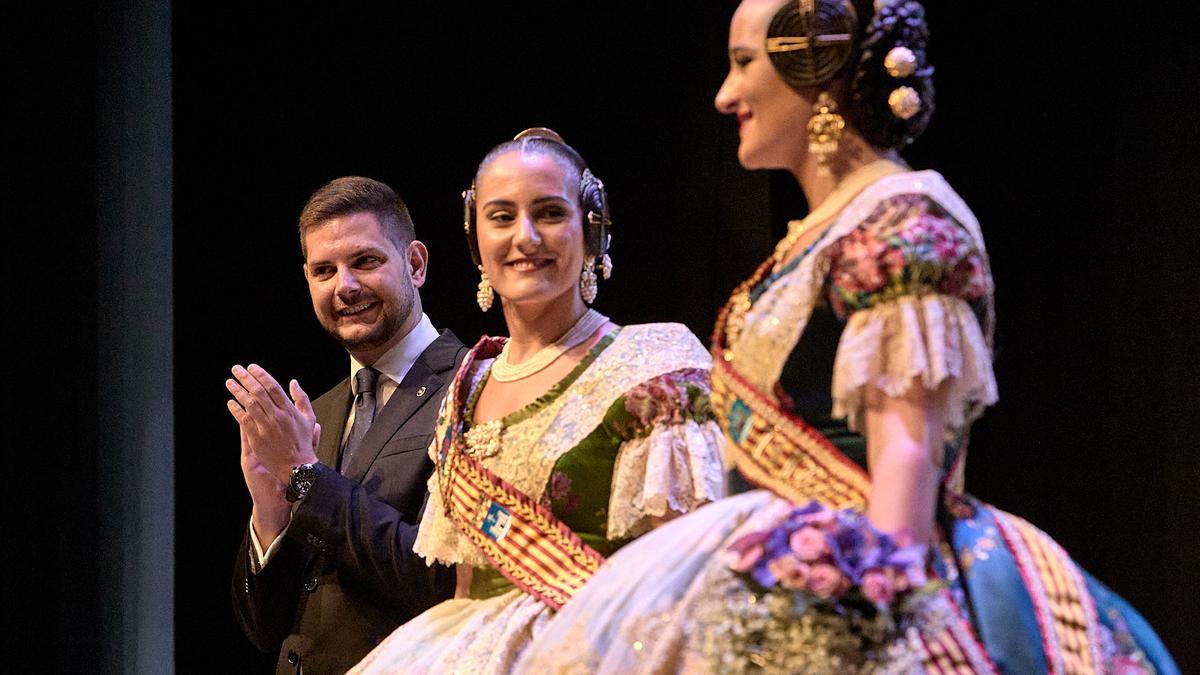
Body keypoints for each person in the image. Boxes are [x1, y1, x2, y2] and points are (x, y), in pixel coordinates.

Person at [517, 1, 1179, 673]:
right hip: (767, 557)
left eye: (745, 64)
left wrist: (867, 621)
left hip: (859, 573)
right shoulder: (824, 231)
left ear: (820, 73)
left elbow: (907, 455)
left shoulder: (906, 223)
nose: (724, 95)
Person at [347, 129, 726, 674]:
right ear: (475, 238)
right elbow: (465, 582)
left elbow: (690, 572)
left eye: (549, 213)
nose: (525, 237)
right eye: (501, 217)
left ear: (590, 229)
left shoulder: (653, 363)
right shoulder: (465, 387)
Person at [226, 176, 467, 674]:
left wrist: (306, 476)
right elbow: (264, 629)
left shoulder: (472, 388)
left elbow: (441, 580)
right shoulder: (319, 412)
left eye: (365, 261)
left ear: (415, 264)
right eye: (324, 271)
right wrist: (269, 517)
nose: (345, 286)